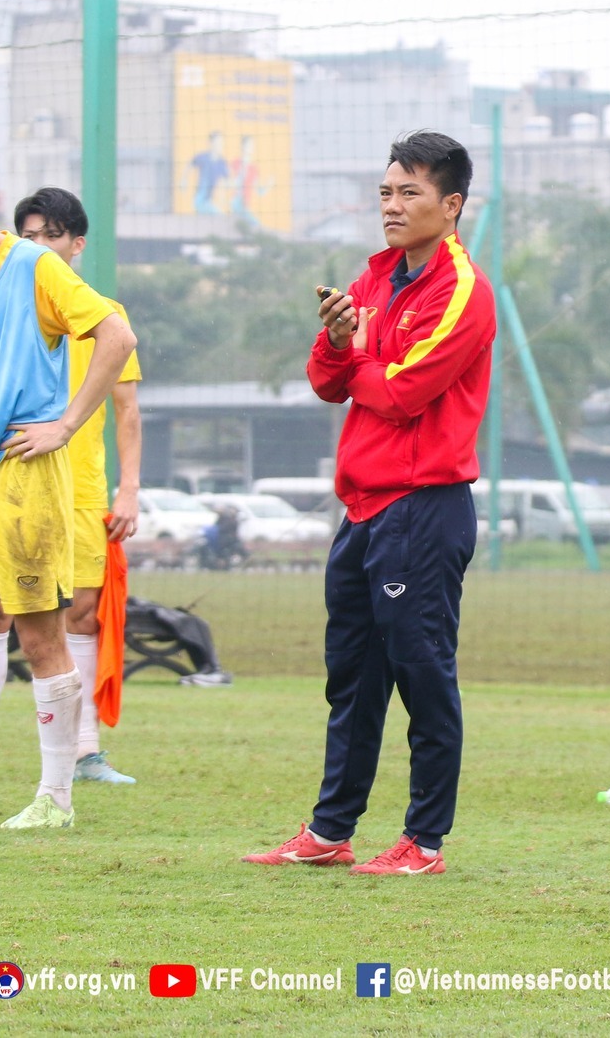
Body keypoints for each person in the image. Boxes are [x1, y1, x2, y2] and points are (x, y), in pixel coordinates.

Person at [245, 131, 493, 876]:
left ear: (451, 205)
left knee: (422, 673)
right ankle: (330, 831)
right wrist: (338, 342)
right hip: (361, 509)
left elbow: (402, 393)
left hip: (424, 508)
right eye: (386, 191)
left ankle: (425, 841)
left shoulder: (462, 290)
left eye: (410, 192)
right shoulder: (375, 277)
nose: (392, 205)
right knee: (352, 676)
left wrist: (358, 360)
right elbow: (331, 382)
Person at [0, 139, 137, 830]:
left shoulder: (35, 266)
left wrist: (65, 425)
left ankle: (56, 797)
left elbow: (116, 337)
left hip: (23, 474)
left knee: (42, 637)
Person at [0, 188, 143, 787]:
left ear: (77, 244)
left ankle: (85, 751)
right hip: (10, 478)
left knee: (82, 615)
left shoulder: (106, 314)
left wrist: (129, 489)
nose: (40, 245)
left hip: (81, 487)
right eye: (29, 235)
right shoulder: (0, 305)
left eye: (52, 235)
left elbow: (127, 410)